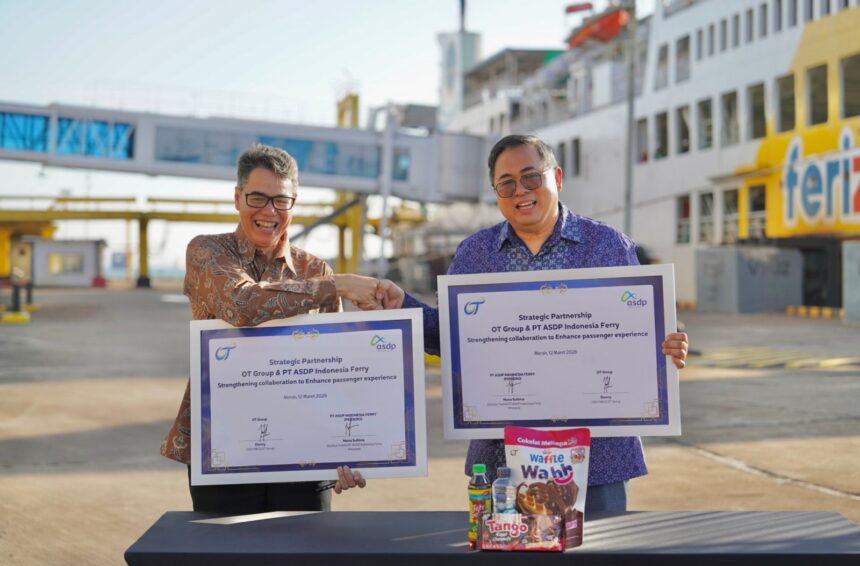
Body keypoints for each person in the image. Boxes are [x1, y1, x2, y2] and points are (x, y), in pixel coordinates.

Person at [375, 134, 689, 515]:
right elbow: (452, 340)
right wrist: (401, 304)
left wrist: (665, 344)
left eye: (530, 177)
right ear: (496, 193)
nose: (520, 190)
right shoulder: (476, 254)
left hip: (598, 459)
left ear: (556, 177)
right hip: (505, 461)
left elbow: (635, 333)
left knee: (598, 564)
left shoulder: (607, 246)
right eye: (506, 183)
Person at [160, 144, 401, 514]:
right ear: (238, 197)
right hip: (225, 450)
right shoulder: (207, 252)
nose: (269, 211)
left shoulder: (314, 269)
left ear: (293, 203)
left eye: (281, 200)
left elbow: (333, 369)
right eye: (258, 197)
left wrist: (347, 450)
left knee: (303, 560)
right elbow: (241, 305)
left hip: (304, 452)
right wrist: (336, 285)